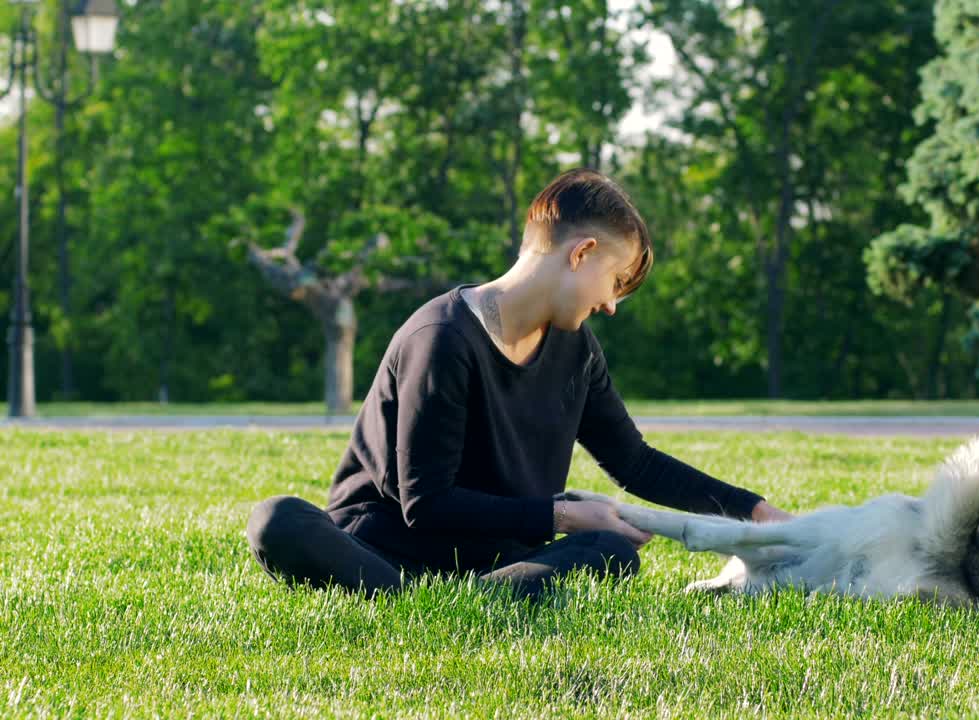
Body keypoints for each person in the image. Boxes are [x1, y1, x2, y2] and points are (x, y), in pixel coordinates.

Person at [246, 168, 790, 600]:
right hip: (387, 552)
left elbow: (635, 462)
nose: (611, 305)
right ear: (581, 255)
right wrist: (561, 515)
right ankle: (427, 598)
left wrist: (759, 514)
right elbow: (426, 505)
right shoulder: (441, 337)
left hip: (492, 560)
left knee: (611, 551)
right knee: (278, 520)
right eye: (615, 282)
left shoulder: (576, 350)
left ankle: (466, 598)